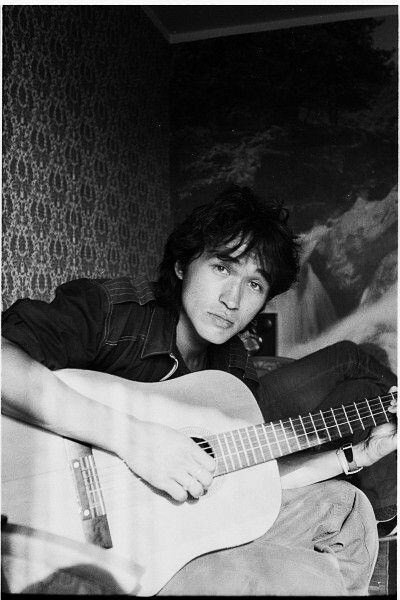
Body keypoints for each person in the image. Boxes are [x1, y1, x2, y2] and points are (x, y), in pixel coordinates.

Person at [2, 185, 397, 595]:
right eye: (222, 268)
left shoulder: (233, 369)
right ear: (181, 265)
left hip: (161, 539)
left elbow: (248, 477)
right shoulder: (113, 311)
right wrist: (132, 439)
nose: (232, 299)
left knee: (346, 506)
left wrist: (358, 454)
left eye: (254, 285)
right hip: (53, 535)